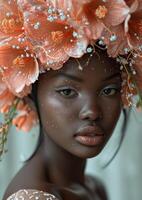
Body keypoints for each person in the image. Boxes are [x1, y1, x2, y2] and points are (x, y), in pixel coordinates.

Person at [0, 0, 141, 199]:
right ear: (30, 97)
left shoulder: (93, 188)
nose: (92, 111)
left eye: (109, 90)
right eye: (67, 92)